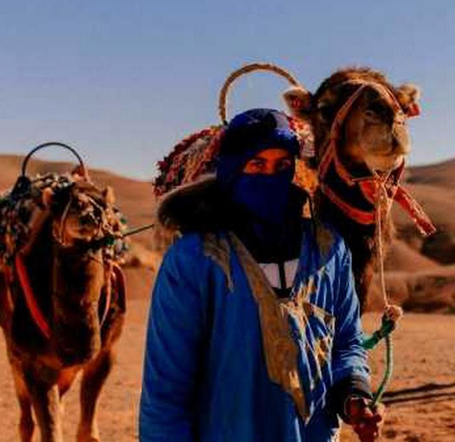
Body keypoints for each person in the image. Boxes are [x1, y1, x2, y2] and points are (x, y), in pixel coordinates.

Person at [139, 108, 384, 441]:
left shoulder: (328, 250)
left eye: (282, 165)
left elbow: (346, 343)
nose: (270, 177)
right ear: (232, 171)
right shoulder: (195, 259)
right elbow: (166, 391)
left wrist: (353, 392)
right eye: (257, 165)